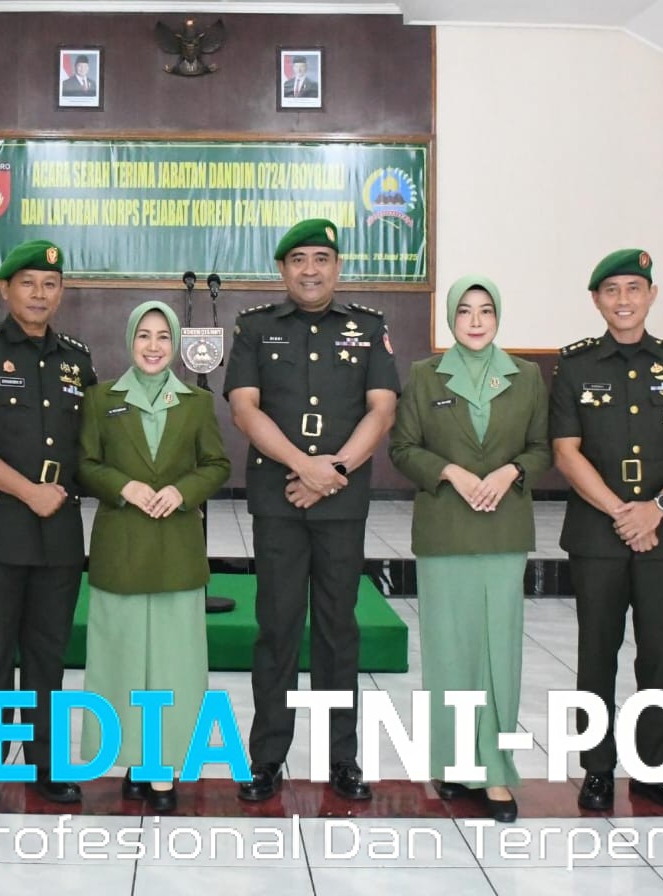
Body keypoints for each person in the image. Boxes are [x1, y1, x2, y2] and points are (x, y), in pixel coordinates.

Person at [223, 218, 399, 802]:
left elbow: (381, 410)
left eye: (321, 258)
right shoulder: (255, 327)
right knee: (276, 628)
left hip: (341, 505)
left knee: (336, 629)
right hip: (279, 501)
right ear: (282, 269)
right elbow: (245, 409)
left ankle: (340, 757)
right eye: (298, 259)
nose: (310, 269)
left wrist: (333, 474)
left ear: (337, 266)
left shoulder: (368, 327)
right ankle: (267, 758)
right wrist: (305, 466)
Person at [550, 248, 663, 813]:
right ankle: (596, 769)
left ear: (651, 295)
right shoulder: (574, 366)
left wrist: (656, 508)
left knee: (660, 655)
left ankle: (655, 770)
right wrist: (624, 512)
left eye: (634, 289)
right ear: (596, 299)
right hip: (598, 535)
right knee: (597, 653)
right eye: (612, 290)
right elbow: (566, 452)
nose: (623, 300)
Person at [0, 238, 96, 812]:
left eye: (50, 284)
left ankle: (45, 764)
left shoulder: (77, 359)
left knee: (47, 656)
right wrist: (28, 491)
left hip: (57, 533)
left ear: (61, 293)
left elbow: (90, 446)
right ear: (5, 288)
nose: (39, 293)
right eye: (27, 283)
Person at [389, 275, 550, 823]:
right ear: (451, 318)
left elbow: (542, 447)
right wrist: (451, 472)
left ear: (498, 316)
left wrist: (511, 472)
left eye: (485, 310)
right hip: (446, 530)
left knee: (498, 652)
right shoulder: (424, 375)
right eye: (465, 310)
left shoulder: (526, 377)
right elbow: (403, 448)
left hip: (503, 530)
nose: (476, 320)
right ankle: (454, 762)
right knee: (449, 651)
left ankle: (496, 770)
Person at [76, 301, 231, 813]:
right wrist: (123, 486)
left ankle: (163, 763)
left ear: (176, 344)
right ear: (129, 340)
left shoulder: (196, 403)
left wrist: (183, 491)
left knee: (173, 665)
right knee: (119, 660)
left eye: (164, 336)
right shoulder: (100, 399)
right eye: (144, 334)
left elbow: (216, 464)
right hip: (121, 549)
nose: (153, 345)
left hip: (176, 551)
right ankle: (129, 757)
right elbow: (85, 464)